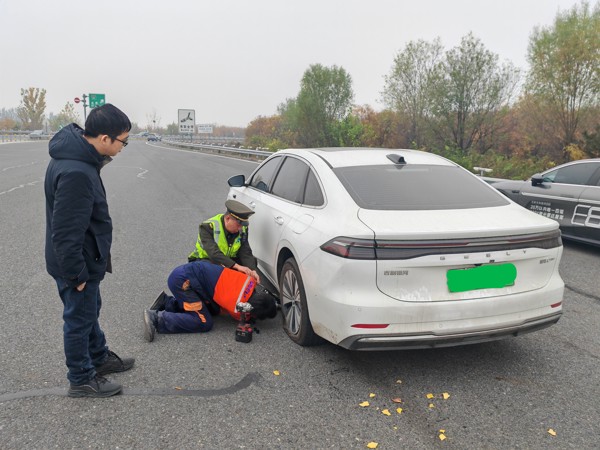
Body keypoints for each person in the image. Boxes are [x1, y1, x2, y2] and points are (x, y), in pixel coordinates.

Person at [44, 104, 135, 398]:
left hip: (84, 258)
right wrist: (76, 273)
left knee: (89, 310)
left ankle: (98, 357)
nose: (123, 147)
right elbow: (66, 231)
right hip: (77, 262)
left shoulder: (80, 159)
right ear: (105, 138)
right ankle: (81, 378)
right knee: (79, 319)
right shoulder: (77, 171)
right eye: (123, 141)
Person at [143, 260, 277, 341]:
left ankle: (166, 303)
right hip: (183, 282)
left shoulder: (250, 280)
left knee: (209, 309)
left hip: (189, 275)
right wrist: (248, 318)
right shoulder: (237, 304)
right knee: (203, 321)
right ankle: (157, 319)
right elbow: (238, 316)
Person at [188, 199, 260, 283]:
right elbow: (213, 253)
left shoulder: (242, 228)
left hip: (226, 260)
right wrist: (237, 266)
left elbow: (245, 251)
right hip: (205, 260)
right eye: (238, 225)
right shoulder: (208, 227)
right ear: (228, 218)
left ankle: (241, 288)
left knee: (251, 262)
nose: (240, 228)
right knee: (215, 271)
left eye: (242, 225)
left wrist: (252, 270)